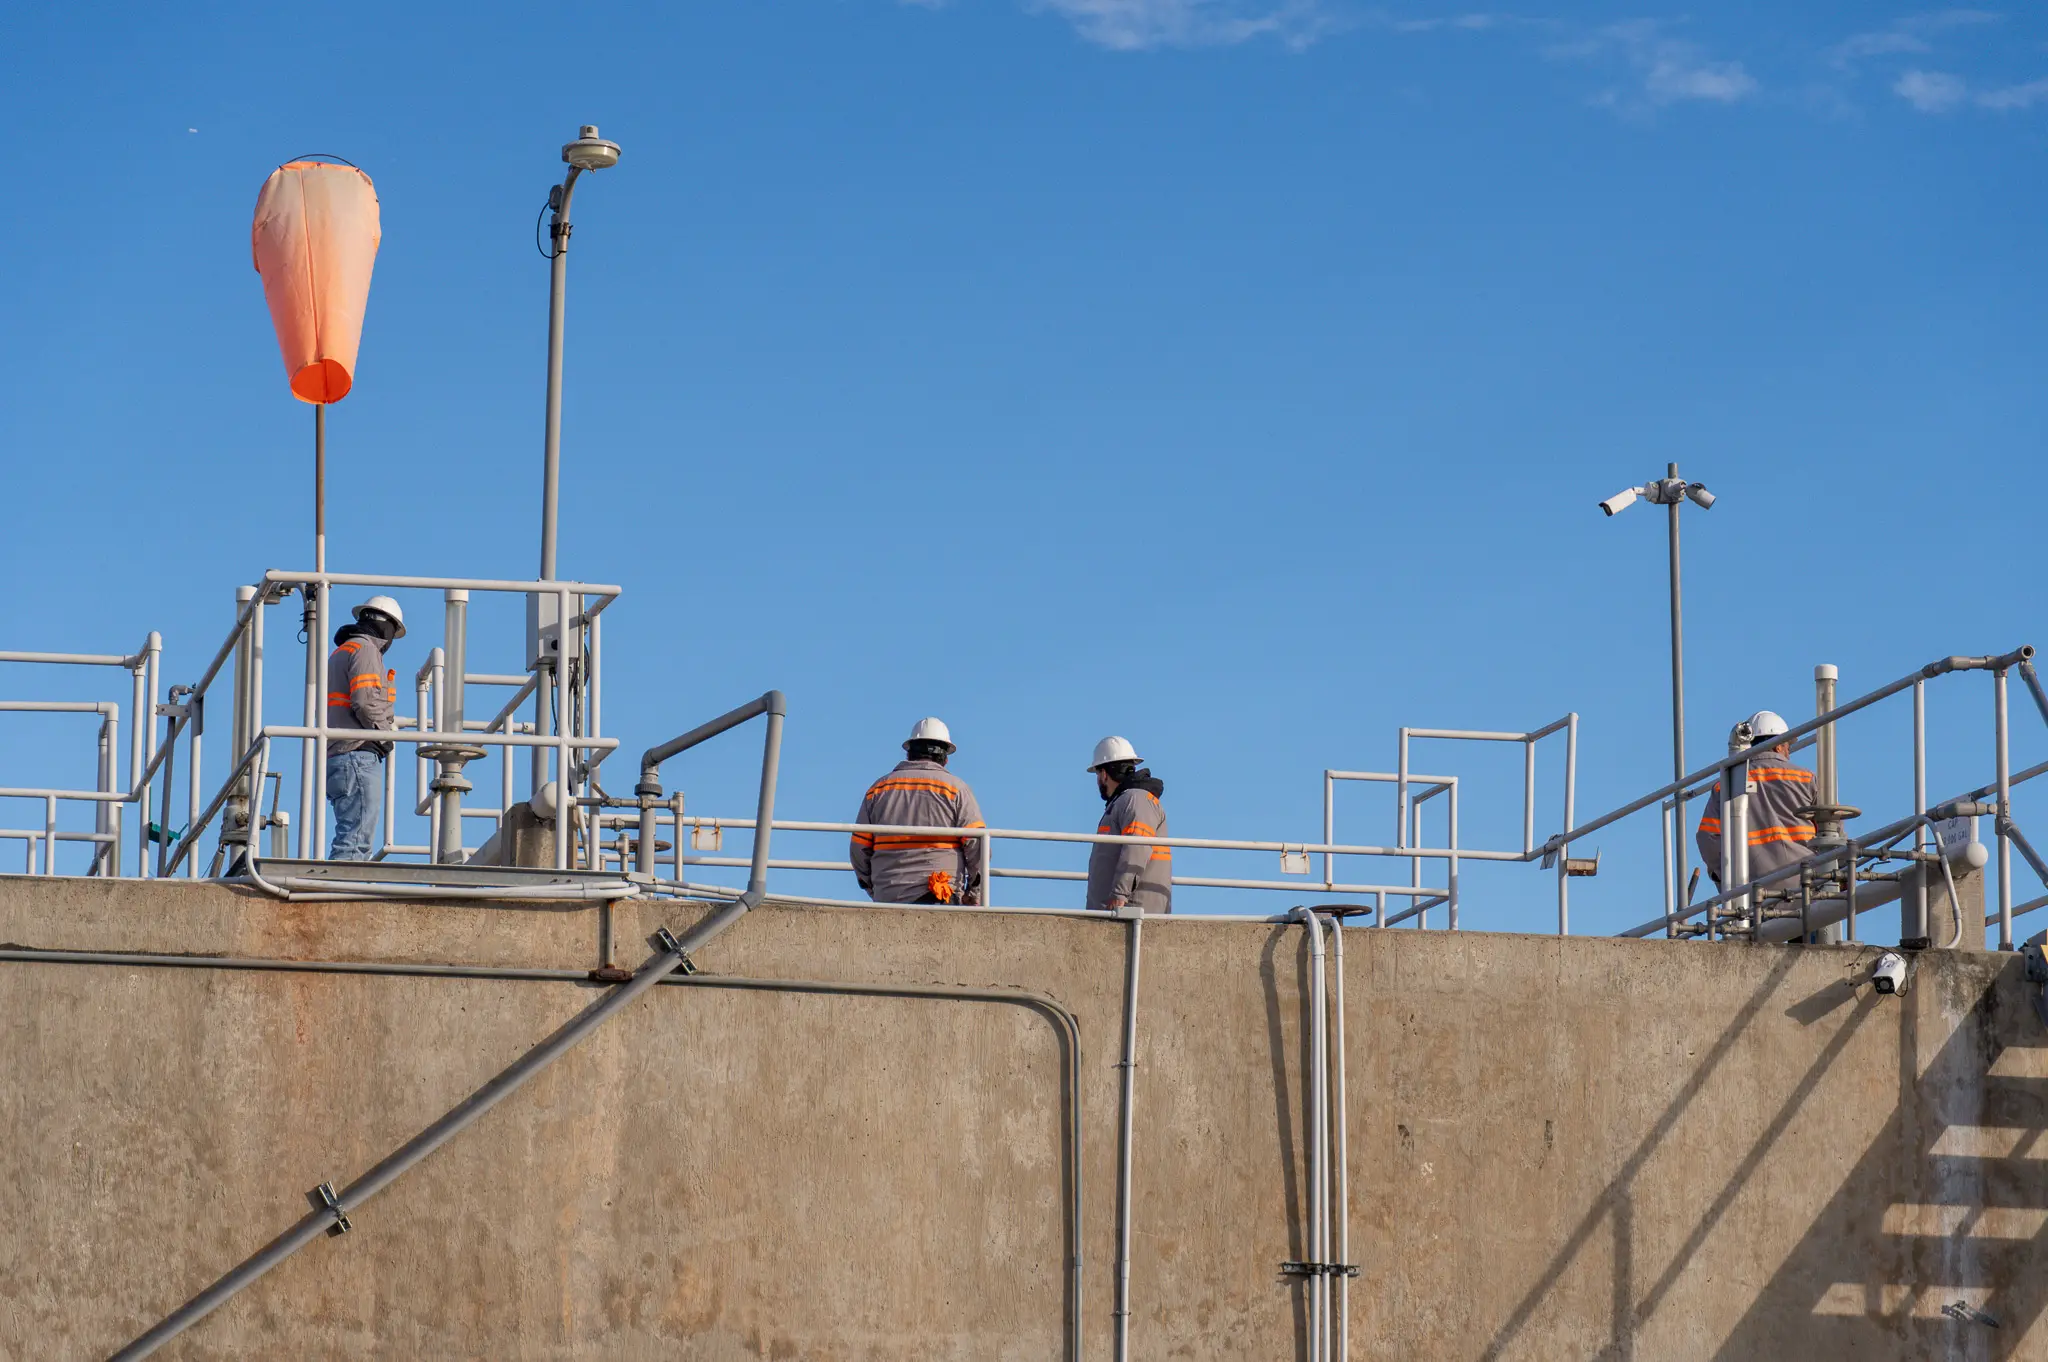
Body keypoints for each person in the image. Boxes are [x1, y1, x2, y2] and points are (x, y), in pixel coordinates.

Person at [850, 718, 987, 904]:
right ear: (945, 758)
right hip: (940, 897)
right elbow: (978, 847)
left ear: (909, 753)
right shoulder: (956, 789)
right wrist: (974, 893)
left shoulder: (878, 790)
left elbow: (858, 849)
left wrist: (874, 888)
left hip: (888, 898)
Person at [1697, 709, 1815, 890]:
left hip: (1749, 888)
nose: (1788, 755)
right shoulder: (1806, 778)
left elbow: (1707, 837)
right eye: (1787, 748)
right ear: (1778, 746)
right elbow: (1832, 827)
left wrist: (1726, 878)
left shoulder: (1726, 785)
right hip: (1806, 881)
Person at [325, 595, 404, 860]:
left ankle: (335, 883)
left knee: (350, 837)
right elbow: (365, 701)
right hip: (357, 754)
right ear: (387, 626)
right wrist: (383, 734)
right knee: (355, 843)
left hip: (339, 755)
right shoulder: (366, 650)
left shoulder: (342, 651)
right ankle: (338, 886)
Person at [1085, 736, 1171, 914]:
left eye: (1097, 774)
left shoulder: (1135, 799)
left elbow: (1137, 846)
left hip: (1131, 912)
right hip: (1118, 912)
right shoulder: (1126, 801)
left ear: (1104, 774)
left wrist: (1120, 894)